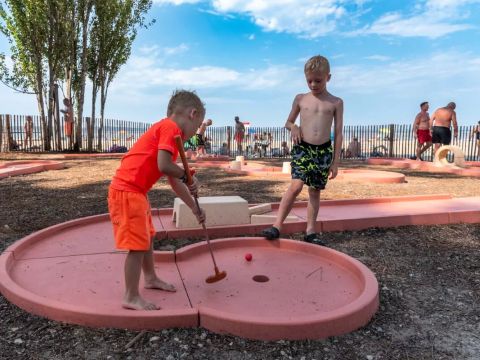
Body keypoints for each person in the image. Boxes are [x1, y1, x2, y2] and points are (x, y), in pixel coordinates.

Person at [107, 90, 207, 311]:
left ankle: (150, 278)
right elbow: (164, 166)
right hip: (127, 191)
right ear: (193, 114)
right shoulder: (170, 129)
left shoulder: (169, 133)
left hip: (136, 192)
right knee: (137, 245)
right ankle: (130, 295)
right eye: (196, 127)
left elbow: (173, 180)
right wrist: (185, 174)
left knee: (147, 238)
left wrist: (193, 207)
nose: (192, 136)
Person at [261, 55, 343, 246]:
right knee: (296, 186)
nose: (313, 84)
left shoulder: (336, 102)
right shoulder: (301, 99)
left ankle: (310, 231)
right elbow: (288, 122)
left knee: (314, 191)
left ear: (328, 77)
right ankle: (277, 226)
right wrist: (294, 127)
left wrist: (336, 161)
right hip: (303, 149)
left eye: (318, 80)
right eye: (309, 80)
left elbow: (338, 133)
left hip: (323, 152)